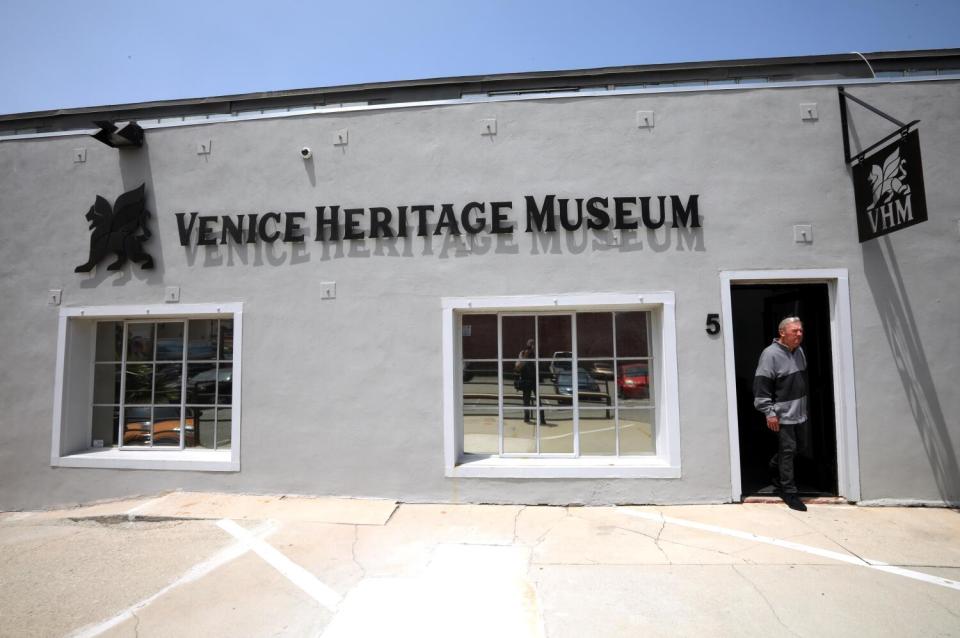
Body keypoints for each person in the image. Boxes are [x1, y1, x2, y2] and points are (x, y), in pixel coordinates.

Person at [753, 316, 809, 512]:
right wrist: (769, 412)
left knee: (800, 447)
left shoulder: (799, 351)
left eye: (801, 331)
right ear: (782, 333)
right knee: (788, 451)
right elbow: (761, 386)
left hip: (800, 412)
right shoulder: (770, 355)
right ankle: (789, 491)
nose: (800, 334)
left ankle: (773, 466)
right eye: (795, 331)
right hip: (783, 414)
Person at [514, 339, 541, 424]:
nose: (531, 347)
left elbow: (538, 366)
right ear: (527, 345)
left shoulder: (535, 354)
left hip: (533, 380)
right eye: (530, 345)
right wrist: (525, 357)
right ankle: (526, 418)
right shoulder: (522, 353)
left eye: (532, 345)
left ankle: (542, 419)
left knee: (538, 401)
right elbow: (517, 367)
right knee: (526, 401)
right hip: (526, 380)